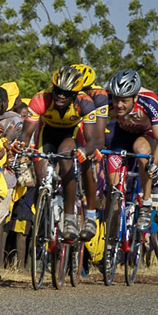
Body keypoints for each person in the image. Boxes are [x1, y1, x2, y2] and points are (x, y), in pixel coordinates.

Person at [16, 67, 98, 241]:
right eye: (58, 91)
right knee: (41, 179)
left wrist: (83, 151)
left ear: (75, 94)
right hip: (46, 135)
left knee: (66, 155)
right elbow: (26, 134)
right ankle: (42, 219)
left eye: (66, 93)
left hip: (72, 135)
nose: (61, 96)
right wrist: (20, 145)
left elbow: (92, 141)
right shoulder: (40, 99)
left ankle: (69, 218)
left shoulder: (86, 103)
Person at [105, 69, 158, 229]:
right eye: (116, 99)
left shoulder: (150, 101)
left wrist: (154, 164)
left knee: (140, 150)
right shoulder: (106, 100)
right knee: (114, 187)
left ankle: (145, 203)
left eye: (124, 101)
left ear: (135, 97)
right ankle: (111, 244)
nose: (119, 105)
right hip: (122, 134)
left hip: (147, 134)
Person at [72, 64, 108, 240]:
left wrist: (94, 150)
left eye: (84, 90)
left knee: (90, 161)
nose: (81, 94)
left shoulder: (99, 96)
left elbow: (99, 136)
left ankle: (91, 214)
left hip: (91, 133)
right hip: (71, 130)